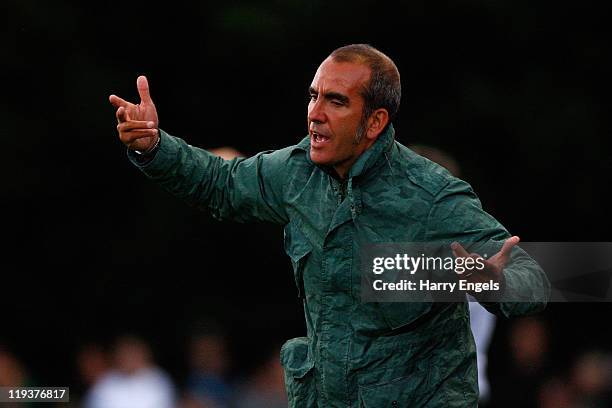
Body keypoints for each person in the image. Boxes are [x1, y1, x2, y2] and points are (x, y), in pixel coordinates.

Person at [109, 44, 550, 407]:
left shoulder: (432, 195)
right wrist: (154, 147)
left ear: (375, 121)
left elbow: (535, 278)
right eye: (313, 96)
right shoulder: (297, 170)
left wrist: (493, 281)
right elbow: (221, 184)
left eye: (336, 101)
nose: (315, 113)